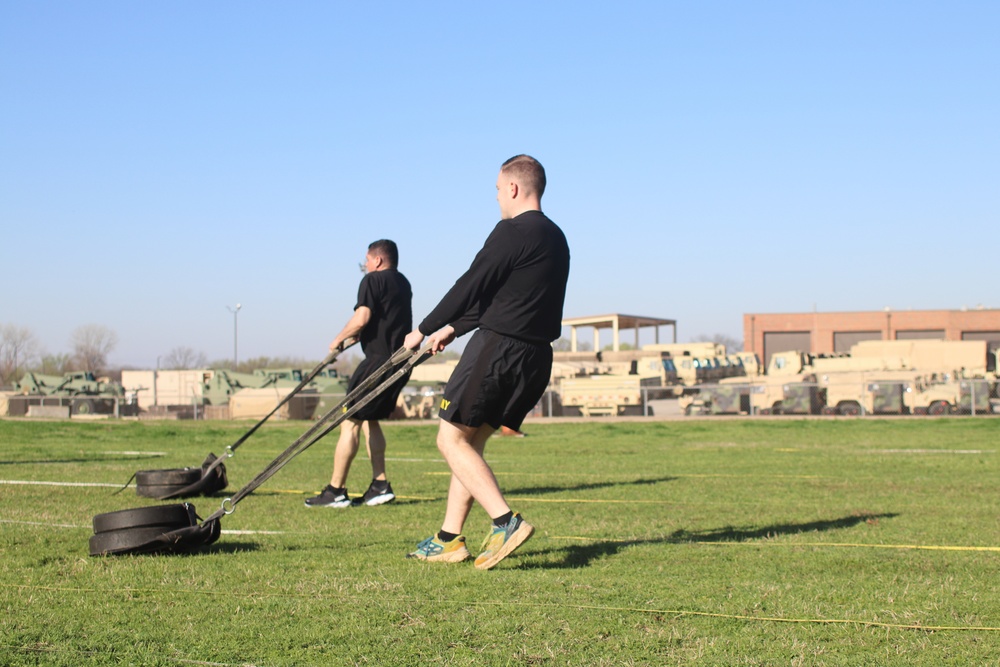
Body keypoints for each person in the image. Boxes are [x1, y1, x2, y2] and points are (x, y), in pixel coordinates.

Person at [402, 155, 570, 569]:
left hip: (499, 350)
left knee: (449, 439)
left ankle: (505, 521)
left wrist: (424, 327)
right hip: (534, 358)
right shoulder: (555, 237)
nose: (496, 198)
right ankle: (448, 539)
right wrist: (452, 330)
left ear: (513, 188)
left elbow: (471, 283)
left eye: (497, 189)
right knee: (470, 443)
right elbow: (506, 299)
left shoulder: (511, 231)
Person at [305, 239, 412, 509]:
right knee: (370, 420)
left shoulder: (371, 281)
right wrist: (348, 343)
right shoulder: (403, 284)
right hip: (399, 362)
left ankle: (335, 491)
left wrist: (336, 339)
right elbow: (379, 327)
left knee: (349, 421)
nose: (365, 265)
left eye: (366, 259)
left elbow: (362, 319)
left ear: (377, 260)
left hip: (376, 364)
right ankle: (380, 485)